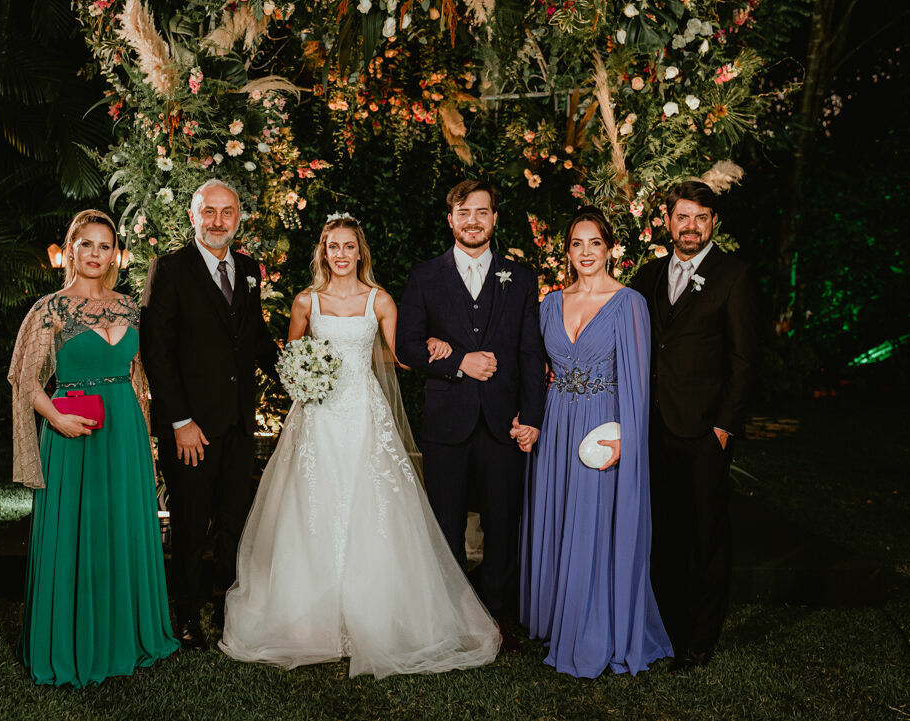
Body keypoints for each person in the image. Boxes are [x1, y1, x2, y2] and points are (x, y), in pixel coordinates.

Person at [220, 215, 501, 678]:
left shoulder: (380, 300)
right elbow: (290, 360)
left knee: (372, 502)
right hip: (317, 416)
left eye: (348, 246)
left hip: (365, 414)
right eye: (333, 246)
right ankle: (309, 616)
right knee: (312, 504)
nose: (341, 254)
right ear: (323, 252)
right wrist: (303, 378)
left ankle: (377, 612)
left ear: (359, 252)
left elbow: (402, 356)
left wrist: (436, 343)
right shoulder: (306, 301)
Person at [8, 209, 178, 687]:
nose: (96, 254)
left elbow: (139, 376)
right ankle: (71, 642)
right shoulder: (50, 309)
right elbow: (25, 378)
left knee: (122, 527)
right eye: (87, 244)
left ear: (115, 255)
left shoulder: (129, 307)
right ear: (71, 249)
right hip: (72, 433)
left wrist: (145, 437)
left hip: (124, 433)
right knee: (75, 531)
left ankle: (126, 635)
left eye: (105, 246)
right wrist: (56, 417)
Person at [520, 207, 672, 677]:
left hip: (601, 429)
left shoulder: (628, 304)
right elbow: (533, 370)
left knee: (594, 522)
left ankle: (593, 626)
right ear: (567, 251)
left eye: (595, 243)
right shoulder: (549, 304)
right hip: (556, 427)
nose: (585, 252)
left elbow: (638, 381)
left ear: (609, 249)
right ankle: (557, 616)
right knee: (561, 515)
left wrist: (628, 439)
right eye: (576, 244)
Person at [395, 180, 546, 647]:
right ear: (450, 220)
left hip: (504, 424)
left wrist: (532, 417)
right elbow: (407, 346)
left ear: (494, 218)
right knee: (447, 523)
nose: (473, 221)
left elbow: (530, 353)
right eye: (464, 213)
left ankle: (497, 617)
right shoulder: (425, 276)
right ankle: (452, 618)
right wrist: (459, 362)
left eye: (482, 212)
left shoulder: (521, 278)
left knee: (503, 522)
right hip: (447, 424)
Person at [139, 179, 280, 648]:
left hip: (238, 423)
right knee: (190, 521)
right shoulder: (169, 269)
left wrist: (295, 378)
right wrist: (180, 422)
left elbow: (255, 337)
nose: (218, 221)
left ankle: (225, 608)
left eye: (227, 212)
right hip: (191, 428)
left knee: (233, 521)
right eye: (209, 211)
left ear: (238, 218)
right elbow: (156, 350)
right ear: (193, 216)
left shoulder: (248, 268)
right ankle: (185, 613)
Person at [631, 181, 761, 672]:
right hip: (653, 427)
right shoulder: (648, 275)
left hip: (705, 430)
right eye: (682, 216)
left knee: (706, 537)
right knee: (664, 533)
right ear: (667, 221)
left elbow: (745, 360)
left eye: (701, 218)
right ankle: (667, 629)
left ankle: (699, 641)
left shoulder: (734, 275)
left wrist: (724, 427)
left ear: (713, 223)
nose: (691, 227)